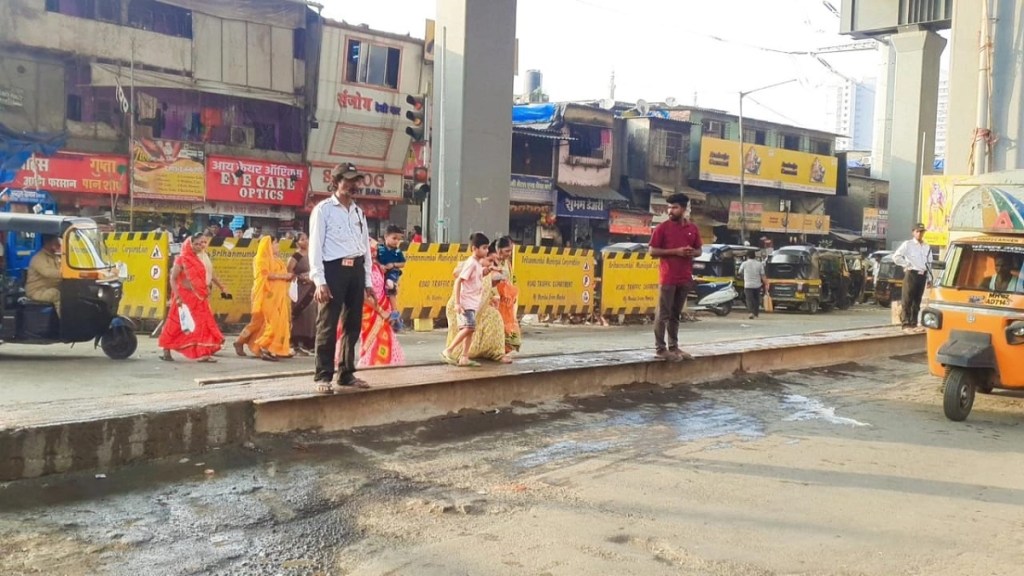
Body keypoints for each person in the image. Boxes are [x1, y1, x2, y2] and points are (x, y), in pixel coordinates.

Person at [309, 162, 376, 393]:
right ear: (336, 181)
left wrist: (367, 282)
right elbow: (315, 247)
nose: (352, 185)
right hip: (333, 270)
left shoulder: (358, 212)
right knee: (327, 325)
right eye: (348, 180)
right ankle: (323, 376)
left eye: (356, 180)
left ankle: (346, 373)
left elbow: (365, 247)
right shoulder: (323, 209)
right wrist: (320, 281)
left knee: (353, 325)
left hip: (355, 269)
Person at [648, 193, 701, 360]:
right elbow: (652, 251)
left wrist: (693, 252)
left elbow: (699, 250)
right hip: (668, 277)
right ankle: (660, 349)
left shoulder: (692, 229)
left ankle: (674, 347)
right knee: (663, 314)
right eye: (669, 207)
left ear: (684, 209)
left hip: (684, 277)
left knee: (675, 314)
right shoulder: (662, 228)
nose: (670, 211)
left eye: (675, 207)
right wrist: (675, 252)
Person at [159, 235, 224, 362]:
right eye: (197, 244)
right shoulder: (181, 259)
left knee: (202, 324)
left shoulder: (200, 258)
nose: (200, 246)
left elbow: (206, 276)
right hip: (184, 298)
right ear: (190, 244)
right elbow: (173, 278)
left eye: (202, 244)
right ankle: (166, 348)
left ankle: (203, 353)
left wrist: (220, 286)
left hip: (199, 298)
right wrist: (177, 295)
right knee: (177, 324)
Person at [441, 232, 493, 367]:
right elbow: (459, 281)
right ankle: (449, 349)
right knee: (469, 327)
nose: (486, 251)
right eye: (484, 247)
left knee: (470, 329)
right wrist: (458, 303)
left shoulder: (476, 264)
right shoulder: (471, 263)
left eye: (487, 248)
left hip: (472, 302)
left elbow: (476, 276)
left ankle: (464, 356)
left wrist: (486, 271)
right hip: (466, 302)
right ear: (474, 248)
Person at [356, 238, 406, 367]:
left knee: (387, 339)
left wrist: (393, 310)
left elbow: (387, 290)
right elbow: (363, 296)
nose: (374, 254)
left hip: (384, 308)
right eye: (371, 251)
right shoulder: (361, 270)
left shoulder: (379, 267)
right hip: (369, 310)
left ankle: (386, 368)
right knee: (371, 341)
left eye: (375, 251)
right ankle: (369, 366)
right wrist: (380, 310)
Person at [251, 236, 294, 361]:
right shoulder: (260, 259)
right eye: (275, 244)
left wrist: (287, 277)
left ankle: (276, 349)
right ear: (268, 246)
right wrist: (284, 276)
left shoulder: (277, 260)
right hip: (268, 296)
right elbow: (265, 275)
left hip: (279, 296)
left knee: (282, 323)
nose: (277, 246)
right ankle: (262, 346)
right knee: (273, 323)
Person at [892, 222, 932, 332]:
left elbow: (929, 263)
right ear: (913, 232)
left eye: (921, 231)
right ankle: (905, 323)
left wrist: (929, 278)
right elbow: (896, 257)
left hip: (922, 275)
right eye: (917, 231)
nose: (919, 234)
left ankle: (914, 322)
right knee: (907, 299)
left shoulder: (926, 246)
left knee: (917, 301)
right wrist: (906, 264)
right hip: (911, 274)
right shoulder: (908, 244)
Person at [491, 236, 522, 353]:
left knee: (510, 330)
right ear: (498, 250)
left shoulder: (507, 263)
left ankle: (503, 351)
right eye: (507, 251)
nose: (509, 254)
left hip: (507, 302)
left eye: (510, 251)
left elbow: (510, 281)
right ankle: (497, 351)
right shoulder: (492, 262)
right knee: (498, 328)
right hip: (495, 301)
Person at [288, 232, 317, 355]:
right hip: (300, 290)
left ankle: (310, 343)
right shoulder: (296, 256)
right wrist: (301, 277)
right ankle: (297, 343)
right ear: (297, 242)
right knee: (301, 315)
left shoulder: (313, 253)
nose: (306, 241)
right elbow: (289, 273)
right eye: (302, 239)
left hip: (313, 288)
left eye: (307, 238)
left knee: (312, 315)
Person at [376, 225, 407, 330]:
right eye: (394, 238)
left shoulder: (397, 252)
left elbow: (403, 263)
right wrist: (380, 266)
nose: (396, 241)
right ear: (386, 236)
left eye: (398, 239)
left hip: (392, 274)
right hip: (380, 274)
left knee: (390, 286)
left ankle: (395, 312)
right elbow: (373, 259)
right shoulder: (379, 248)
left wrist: (393, 264)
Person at [26, 234, 62, 313]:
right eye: (56, 243)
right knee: (55, 294)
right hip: (37, 291)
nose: (59, 245)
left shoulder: (55, 257)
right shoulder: (39, 258)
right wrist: (65, 273)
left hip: (49, 288)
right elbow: (48, 273)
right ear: (48, 243)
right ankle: (63, 322)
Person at [738, 254, 767, 319]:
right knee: (756, 299)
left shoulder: (744, 263)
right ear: (755, 256)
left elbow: (739, 272)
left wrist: (743, 277)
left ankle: (751, 313)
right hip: (757, 284)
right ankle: (756, 313)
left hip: (748, 285)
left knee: (749, 299)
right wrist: (766, 283)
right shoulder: (759, 264)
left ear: (748, 256)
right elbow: (763, 275)